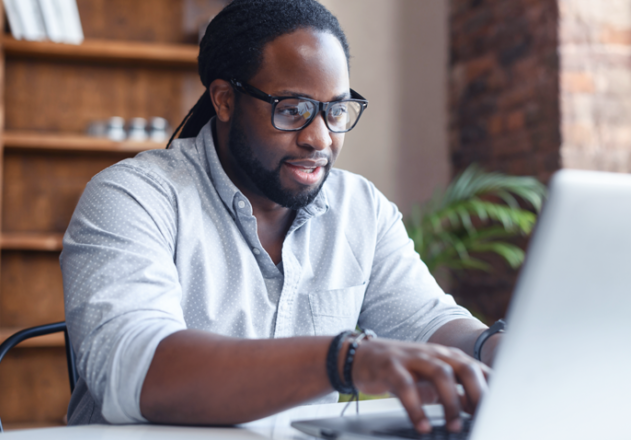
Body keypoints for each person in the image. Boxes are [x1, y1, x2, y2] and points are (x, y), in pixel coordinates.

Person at [60, 0, 502, 434]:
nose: (320, 138)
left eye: (335, 110)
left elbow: (427, 323)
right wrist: (344, 360)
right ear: (225, 100)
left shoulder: (359, 208)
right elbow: (134, 370)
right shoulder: (132, 196)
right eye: (292, 110)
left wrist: (492, 347)